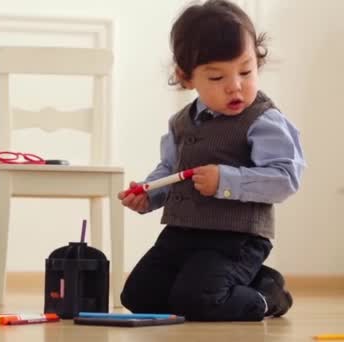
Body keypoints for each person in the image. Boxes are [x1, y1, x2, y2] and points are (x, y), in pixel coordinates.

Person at [119, 0, 305, 321]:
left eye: (246, 71)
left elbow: (286, 178)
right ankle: (225, 283)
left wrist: (226, 181)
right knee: (138, 295)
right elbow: (171, 170)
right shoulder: (181, 122)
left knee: (199, 300)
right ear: (186, 77)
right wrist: (150, 194)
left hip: (236, 239)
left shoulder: (263, 120)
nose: (235, 86)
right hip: (181, 233)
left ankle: (266, 293)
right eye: (217, 77)